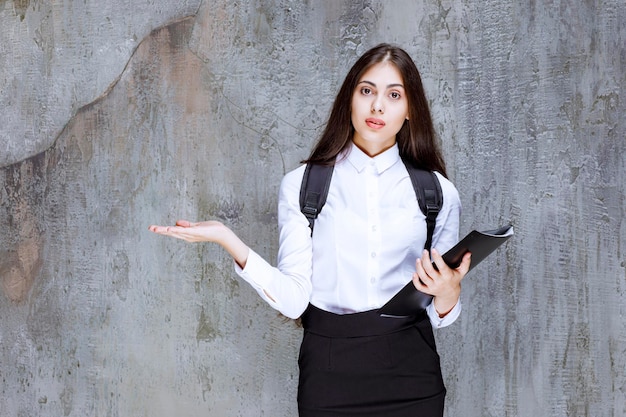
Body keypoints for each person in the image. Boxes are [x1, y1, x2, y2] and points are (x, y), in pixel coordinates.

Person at [149, 43, 471, 417]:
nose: (377, 106)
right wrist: (227, 238)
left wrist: (449, 292)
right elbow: (295, 300)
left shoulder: (437, 193)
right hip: (329, 373)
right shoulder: (303, 185)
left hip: (412, 373)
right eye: (366, 91)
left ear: (410, 109)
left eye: (394, 95)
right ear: (349, 99)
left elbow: (439, 315)